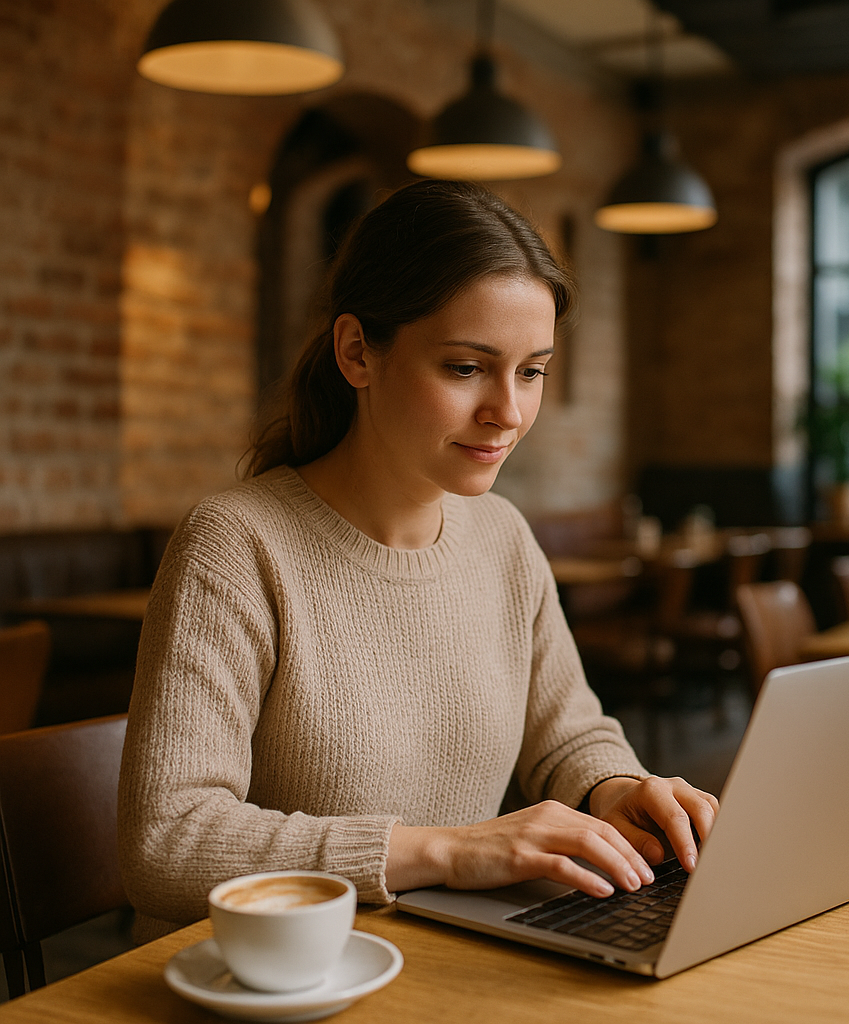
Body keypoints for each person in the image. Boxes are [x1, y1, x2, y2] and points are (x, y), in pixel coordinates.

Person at [117, 179, 718, 941]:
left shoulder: (501, 535)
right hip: (272, 984)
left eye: (531, 370)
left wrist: (614, 787)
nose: (508, 410)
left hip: (443, 962)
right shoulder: (236, 544)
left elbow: (566, 732)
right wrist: (448, 852)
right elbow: (166, 845)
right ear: (357, 352)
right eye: (466, 368)